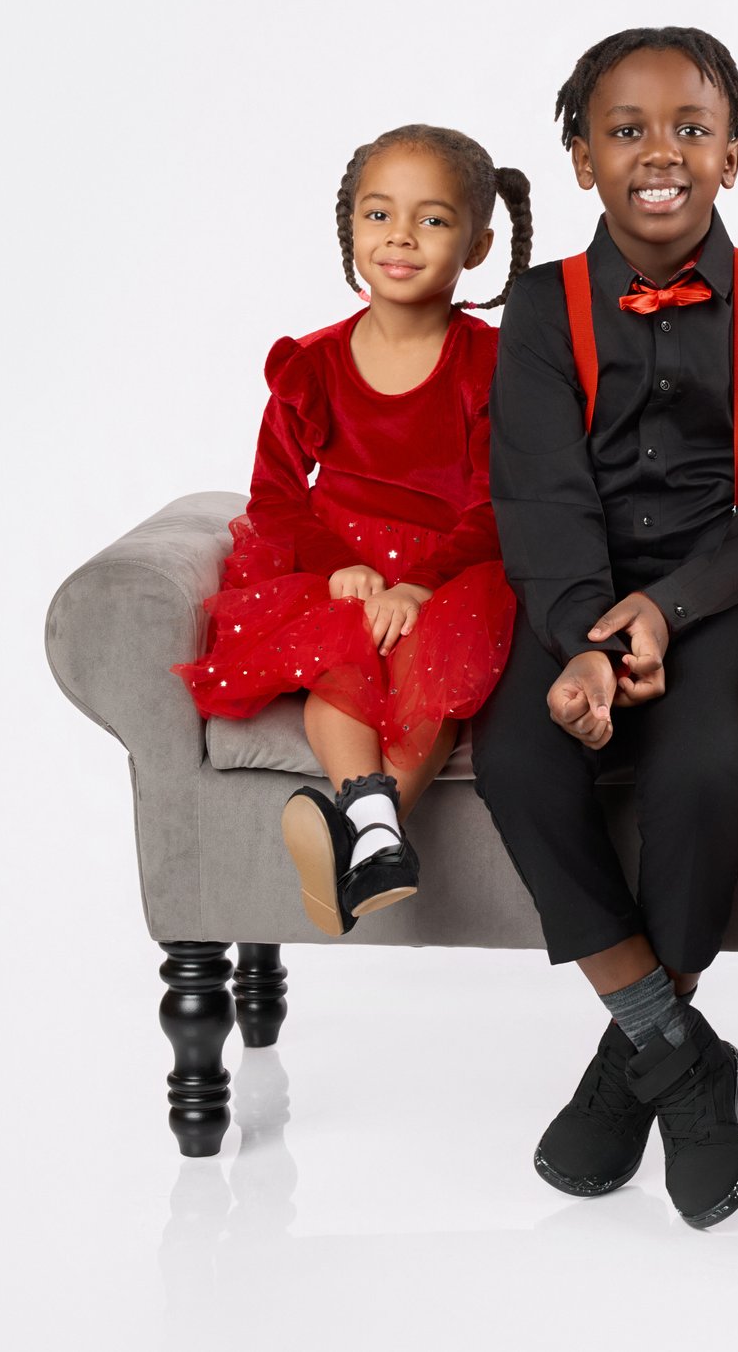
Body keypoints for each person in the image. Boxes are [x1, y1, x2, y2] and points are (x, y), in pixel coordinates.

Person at [473, 28, 738, 1230]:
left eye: (691, 127)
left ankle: (632, 1048)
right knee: (524, 756)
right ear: (581, 160)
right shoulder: (540, 308)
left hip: (720, 591)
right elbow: (538, 493)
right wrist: (587, 630)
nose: (660, 152)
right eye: (625, 129)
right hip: (569, 586)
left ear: (735, 155)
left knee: (699, 769)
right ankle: (683, 1055)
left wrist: (666, 610)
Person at [174, 125, 526, 936]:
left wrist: (421, 582)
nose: (400, 236)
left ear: (477, 246)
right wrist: (339, 567)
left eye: (432, 220)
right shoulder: (314, 365)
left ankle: (360, 838)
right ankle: (371, 823)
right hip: (344, 565)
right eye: (378, 214)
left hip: (446, 568)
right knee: (341, 656)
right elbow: (275, 496)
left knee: (437, 660)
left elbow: (498, 497)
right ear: (351, 231)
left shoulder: (490, 366)